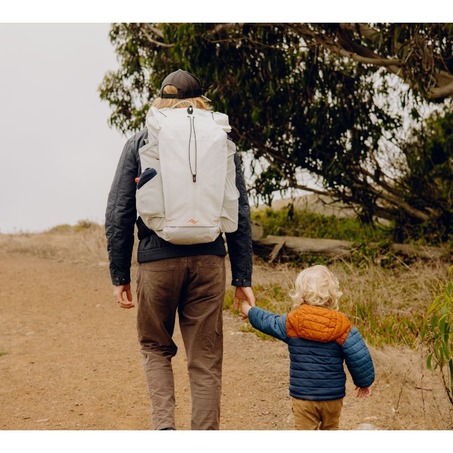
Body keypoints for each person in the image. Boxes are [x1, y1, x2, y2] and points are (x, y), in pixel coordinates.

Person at [105, 69, 255, 430]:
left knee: (156, 348)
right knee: (204, 359)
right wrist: (243, 276)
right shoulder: (220, 139)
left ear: (162, 100)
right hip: (209, 261)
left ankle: (165, 432)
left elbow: (119, 211)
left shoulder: (142, 140)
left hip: (157, 263)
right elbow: (239, 210)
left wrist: (120, 274)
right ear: (200, 102)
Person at [239, 264, 374, 430]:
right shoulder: (343, 325)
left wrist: (249, 310)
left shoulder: (293, 321)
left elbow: (268, 321)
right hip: (332, 397)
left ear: (300, 295)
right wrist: (364, 382)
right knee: (331, 430)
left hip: (303, 397)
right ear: (332, 295)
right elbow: (359, 356)